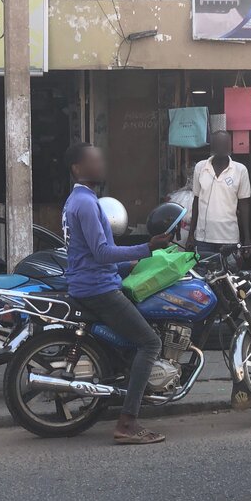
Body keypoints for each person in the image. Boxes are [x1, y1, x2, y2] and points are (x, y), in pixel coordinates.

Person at [62, 142, 177, 445]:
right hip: (97, 287)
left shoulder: (78, 200)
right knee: (150, 343)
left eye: (101, 159)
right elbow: (101, 252)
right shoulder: (87, 203)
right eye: (93, 160)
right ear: (77, 168)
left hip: (89, 279)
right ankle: (127, 423)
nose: (100, 164)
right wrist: (148, 247)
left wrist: (132, 262)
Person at [185, 131, 251, 257]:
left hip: (229, 238)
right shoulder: (201, 167)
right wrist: (190, 234)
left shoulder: (240, 170)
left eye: (226, 144)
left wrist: (247, 238)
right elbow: (196, 201)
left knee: (229, 275)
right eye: (219, 144)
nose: (222, 147)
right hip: (203, 238)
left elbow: (244, 205)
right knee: (204, 274)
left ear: (230, 146)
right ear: (212, 147)